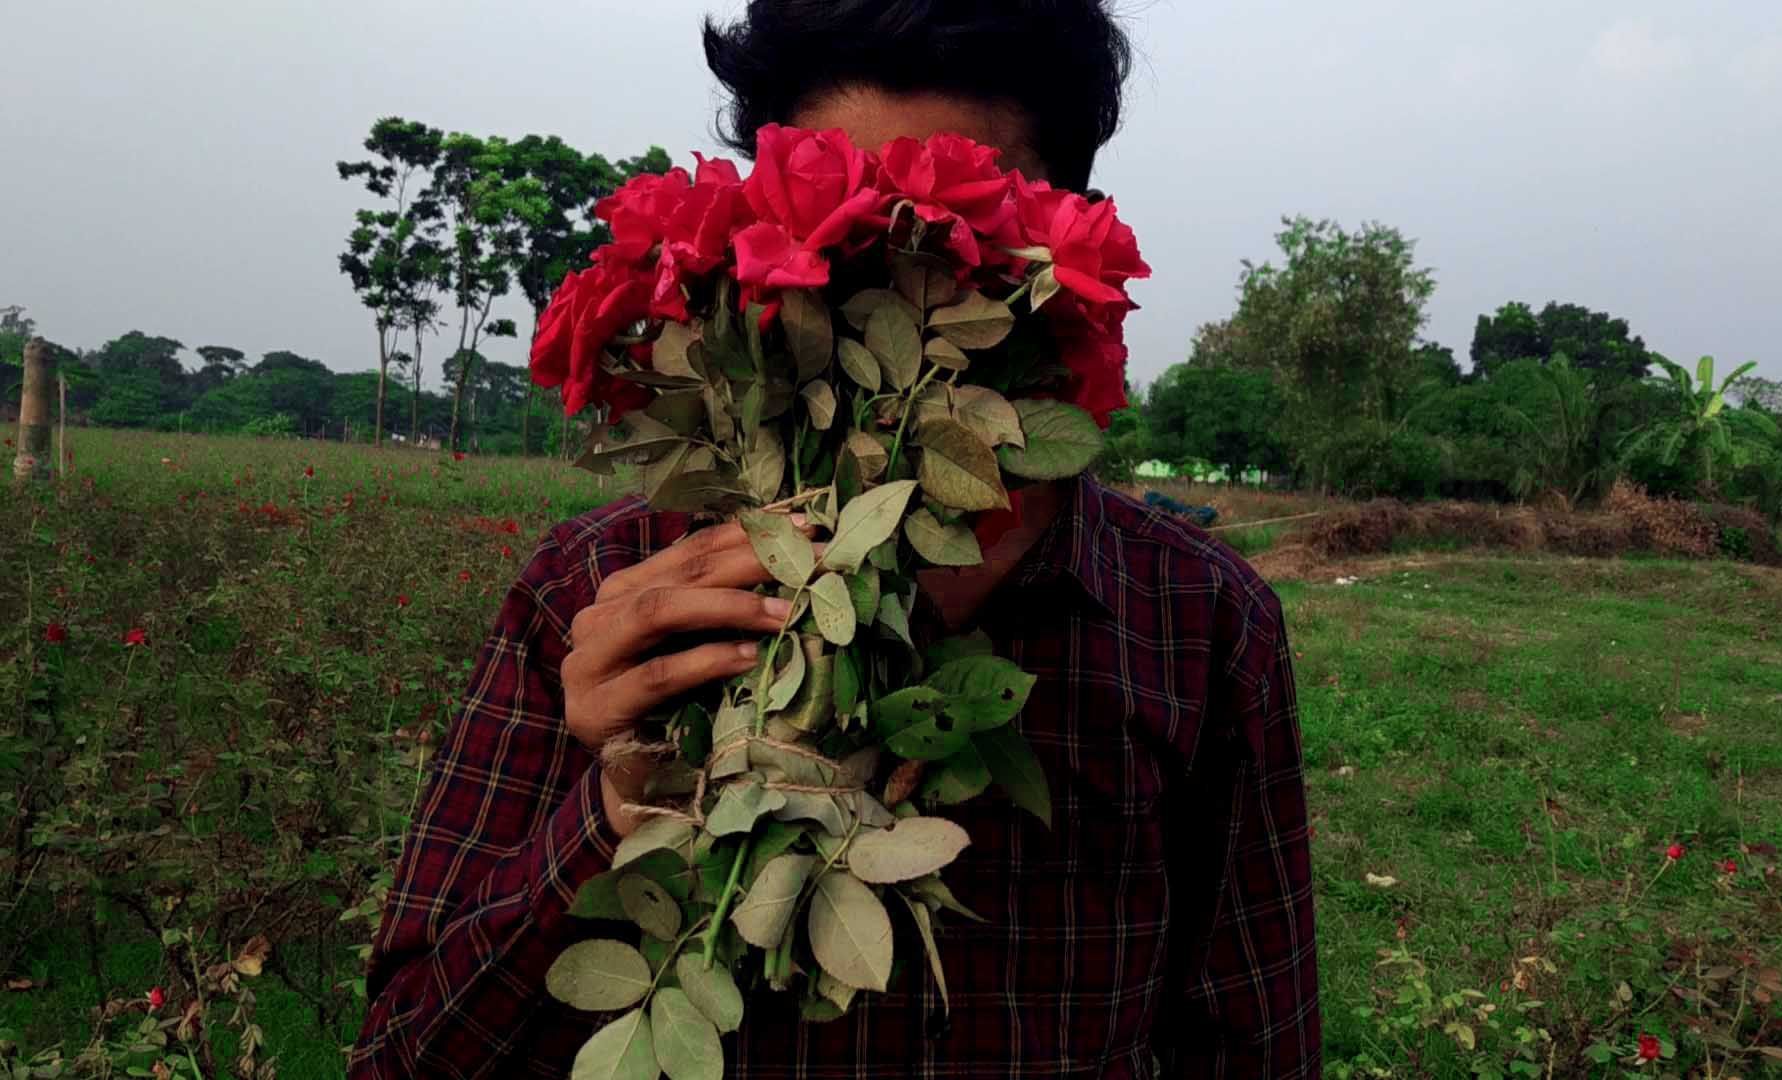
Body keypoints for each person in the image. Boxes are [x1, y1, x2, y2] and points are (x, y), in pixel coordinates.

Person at [350, 2, 1318, 1076]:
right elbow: (403, 1058)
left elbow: (1254, 1045)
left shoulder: (1199, 622)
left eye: (950, 235)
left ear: (1056, 238)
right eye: (850, 227)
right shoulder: (597, 589)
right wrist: (618, 806)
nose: (889, 276)